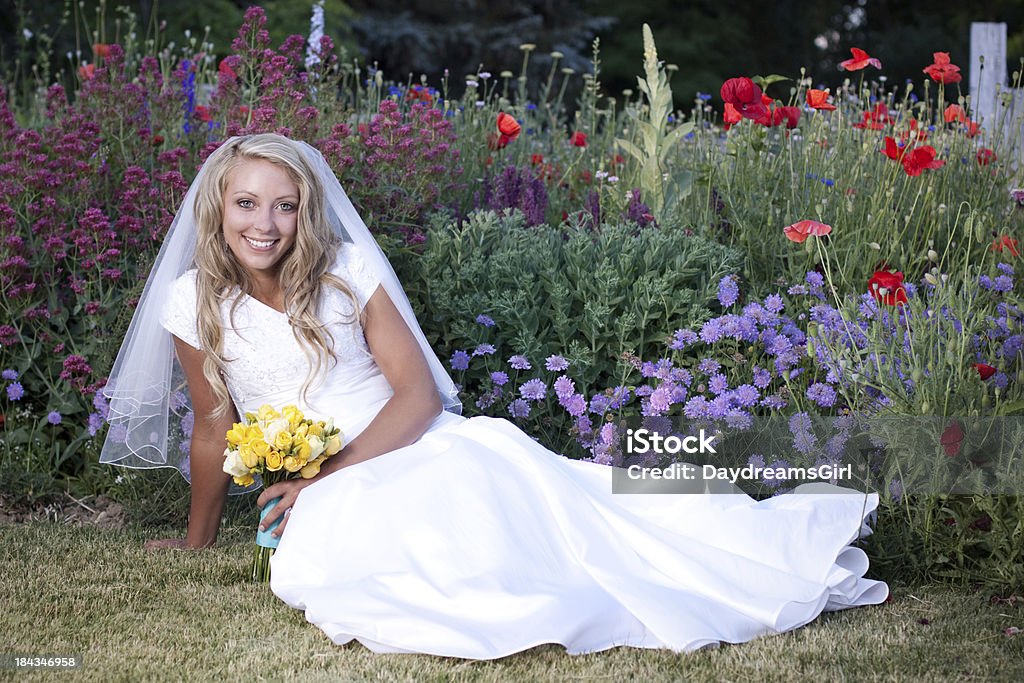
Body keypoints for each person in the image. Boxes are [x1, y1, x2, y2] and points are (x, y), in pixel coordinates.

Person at [101, 133, 887, 659]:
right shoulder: (194, 300)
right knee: (343, 559)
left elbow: (414, 399)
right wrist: (200, 539)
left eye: (284, 204)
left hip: (403, 444)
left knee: (507, 517)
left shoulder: (346, 273)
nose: (265, 223)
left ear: (307, 208)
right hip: (321, 489)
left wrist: (322, 476)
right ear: (219, 208)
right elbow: (213, 423)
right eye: (246, 203)